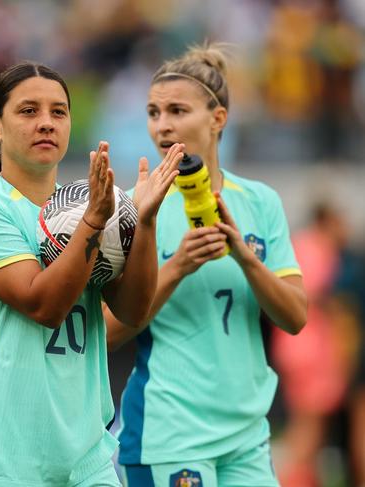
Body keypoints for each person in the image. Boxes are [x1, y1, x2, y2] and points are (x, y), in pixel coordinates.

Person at [0, 61, 182, 487]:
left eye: (58, 112)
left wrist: (143, 220)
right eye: (28, 111)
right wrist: (94, 222)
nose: (46, 122)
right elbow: (43, 304)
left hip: (86, 455)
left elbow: (134, 309)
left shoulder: (90, 209)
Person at [104, 43, 308, 487]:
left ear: (218, 119)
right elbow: (105, 332)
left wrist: (244, 257)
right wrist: (178, 266)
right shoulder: (136, 205)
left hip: (247, 432)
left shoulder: (260, 201)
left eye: (178, 110)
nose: (162, 125)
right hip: (169, 431)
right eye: (153, 112)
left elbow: (295, 317)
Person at [271, 202, 354, 486]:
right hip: (310, 349)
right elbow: (314, 294)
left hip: (295, 346)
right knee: (309, 429)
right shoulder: (317, 249)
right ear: (327, 220)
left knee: (311, 430)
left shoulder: (296, 245)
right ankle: (283, 478)